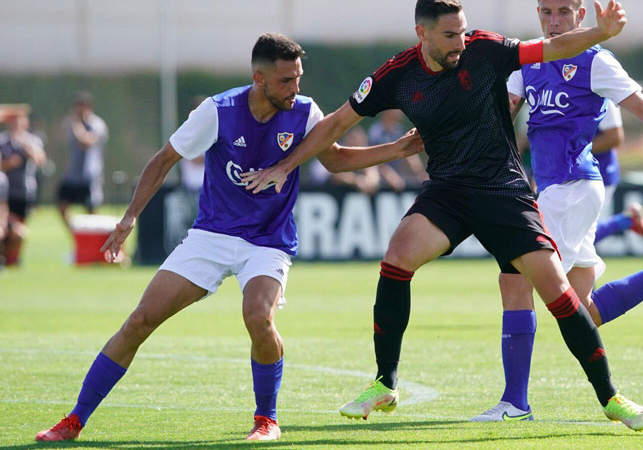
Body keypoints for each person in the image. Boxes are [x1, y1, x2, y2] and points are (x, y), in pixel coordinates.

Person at [242, 0, 643, 431]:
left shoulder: (486, 49)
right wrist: (285, 165)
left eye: (462, 31)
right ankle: (385, 382)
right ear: (422, 33)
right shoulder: (396, 76)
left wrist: (601, 32)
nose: (460, 41)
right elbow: (336, 123)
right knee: (397, 257)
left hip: (503, 191)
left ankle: (610, 397)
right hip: (448, 191)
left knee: (558, 292)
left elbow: (553, 48)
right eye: (449, 34)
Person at [34, 33, 423, 442]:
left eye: (299, 78)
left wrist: (396, 150)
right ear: (259, 78)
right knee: (140, 320)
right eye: (286, 80)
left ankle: (266, 420)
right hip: (211, 236)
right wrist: (130, 217)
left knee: (258, 315)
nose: (296, 89)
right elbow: (164, 159)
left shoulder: (305, 111)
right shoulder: (217, 111)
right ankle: (74, 420)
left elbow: (337, 158)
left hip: (267, 241)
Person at [478, 0, 643, 422]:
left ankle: (514, 403)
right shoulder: (528, 59)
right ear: (537, 13)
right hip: (557, 190)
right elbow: (504, 115)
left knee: (514, 279)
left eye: (563, 12)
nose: (554, 22)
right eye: (546, 11)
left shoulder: (596, 61)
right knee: (583, 311)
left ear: (581, 15)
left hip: (573, 187)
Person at [592, 103, 643, 245]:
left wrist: (572, 152)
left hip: (599, 173)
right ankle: (627, 220)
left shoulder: (602, 90)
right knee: (573, 236)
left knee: (578, 238)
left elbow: (614, 137)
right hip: (563, 173)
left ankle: (627, 221)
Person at [0, 106, 47, 266]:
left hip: (25, 191)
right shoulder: (3, 140)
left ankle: (13, 258)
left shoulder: (32, 140)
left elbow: (41, 160)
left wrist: (27, 148)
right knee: (6, 227)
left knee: (20, 229)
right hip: (5, 192)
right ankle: (4, 257)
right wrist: (8, 163)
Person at [57, 91, 109, 230]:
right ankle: (76, 235)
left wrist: (78, 126)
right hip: (72, 175)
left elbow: (85, 142)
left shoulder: (97, 124)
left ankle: (92, 239)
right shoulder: (71, 123)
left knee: (91, 211)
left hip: (89, 176)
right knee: (62, 205)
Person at [368, 109, 427, 191]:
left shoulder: (399, 130)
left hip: (398, 180)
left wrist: (420, 173)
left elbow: (410, 156)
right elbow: (373, 157)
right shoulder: (376, 131)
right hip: (380, 181)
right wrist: (390, 176)